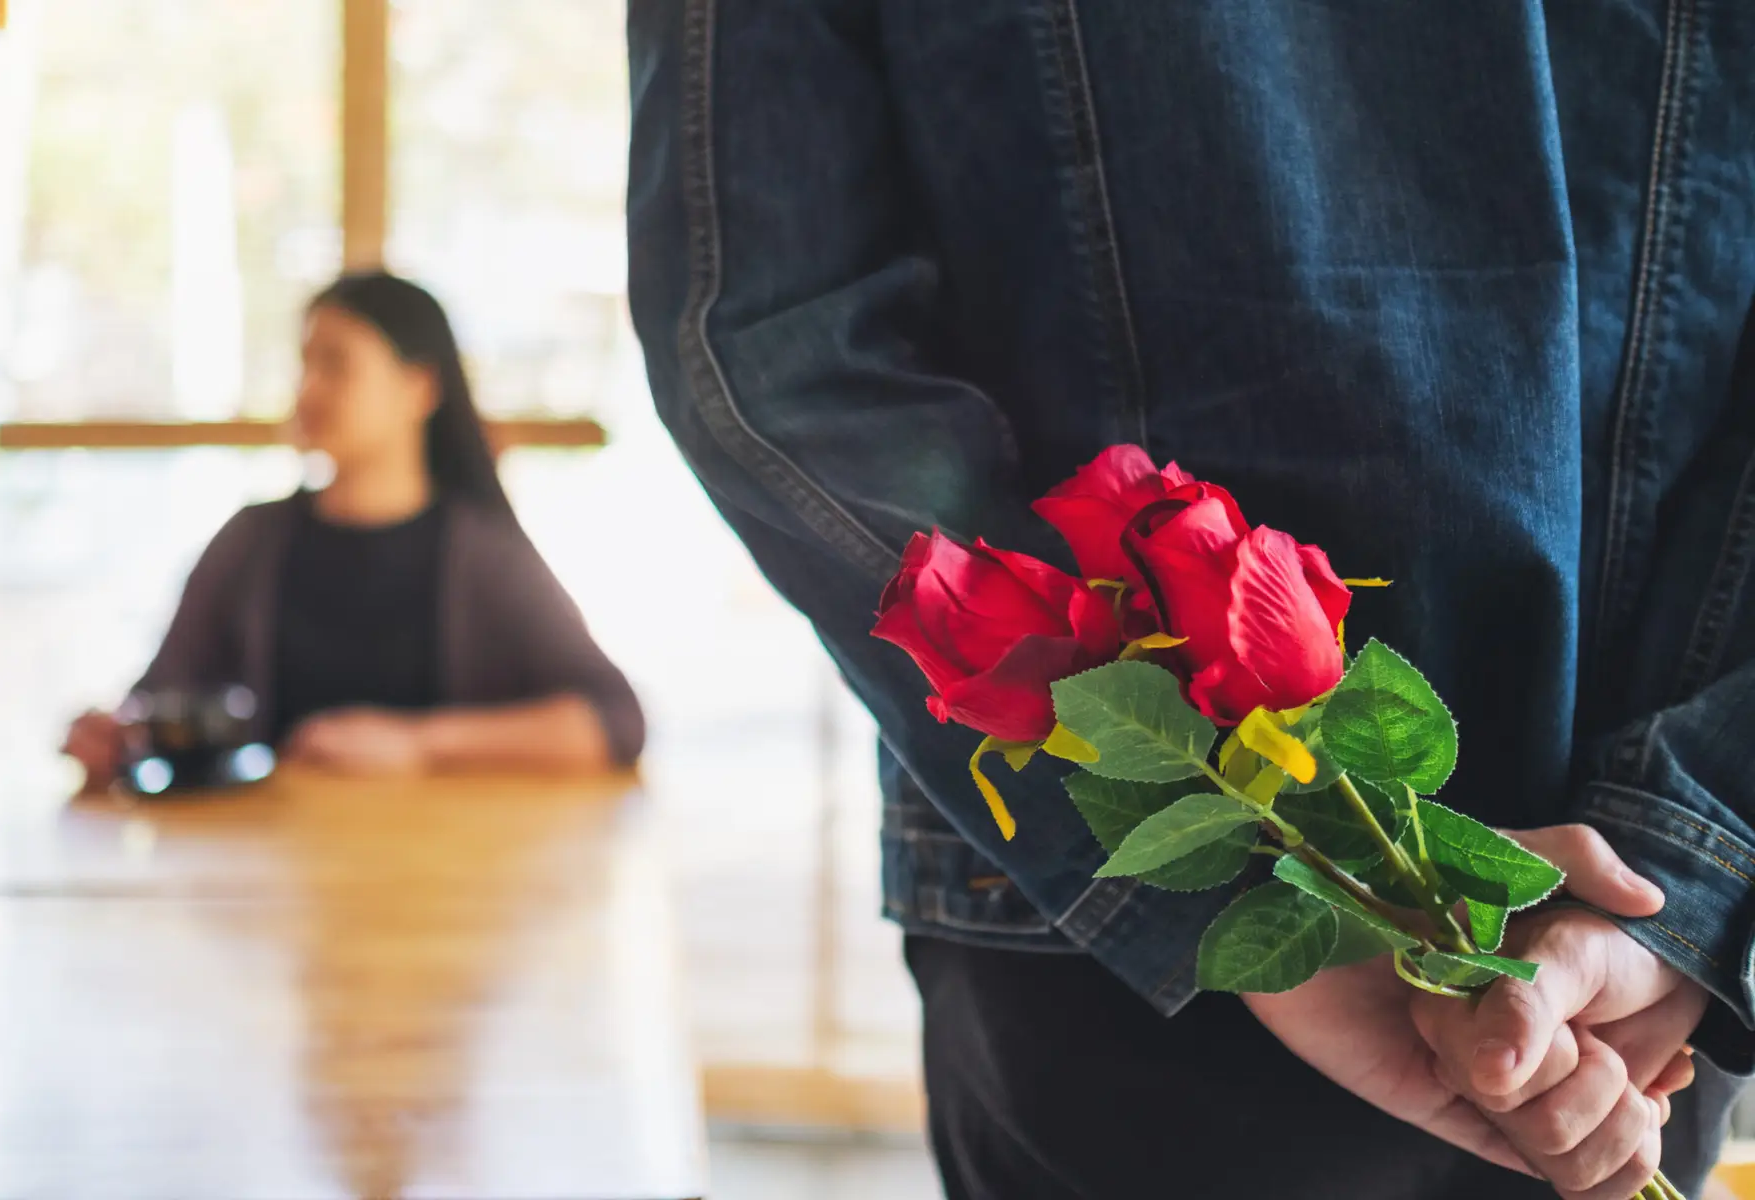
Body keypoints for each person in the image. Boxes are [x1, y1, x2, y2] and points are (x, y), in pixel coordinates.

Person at [628, 3, 1753, 1198]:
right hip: (1594, 943)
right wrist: (1688, 863)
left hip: (1545, 971)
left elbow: (769, 330)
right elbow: (777, 338)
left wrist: (1687, 868)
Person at [63, 271, 643, 787]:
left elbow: (613, 723)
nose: (307, 390)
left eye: (335, 365)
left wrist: (419, 743)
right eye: (305, 364)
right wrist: (114, 738)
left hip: (443, 877)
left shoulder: (480, 555)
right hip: (270, 878)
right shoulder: (251, 541)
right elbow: (159, 699)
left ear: (420, 389)